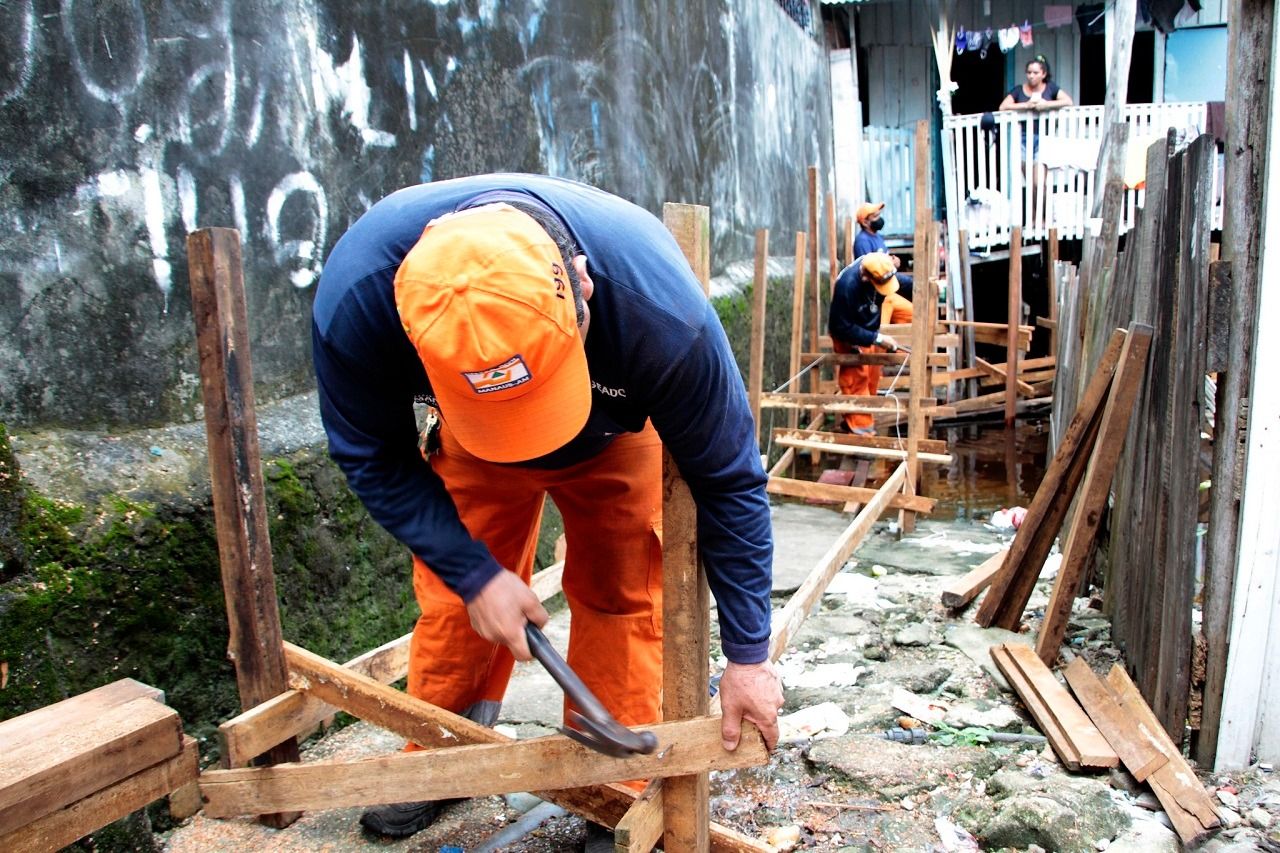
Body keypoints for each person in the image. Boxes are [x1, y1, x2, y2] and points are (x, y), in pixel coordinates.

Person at [312, 174, 783, 842]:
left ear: (583, 284)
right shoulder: (360, 301)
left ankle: (609, 780)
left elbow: (729, 478)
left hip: (613, 433)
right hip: (474, 443)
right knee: (457, 604)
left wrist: (748, 655)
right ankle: (447, 753)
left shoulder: (658, 309)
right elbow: (370, 454)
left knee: (622, 591)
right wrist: (475, 574)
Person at [827, 252, 914, 435]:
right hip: (847, 332)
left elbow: (901, 282)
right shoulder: (846, 287)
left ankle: (857, 417)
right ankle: (861, 431)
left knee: (873, 375)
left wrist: (922, 289)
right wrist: (879, 339)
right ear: (866, 277)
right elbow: (840, 327)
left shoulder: (879, 267)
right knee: (856, 378)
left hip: (868, 327)